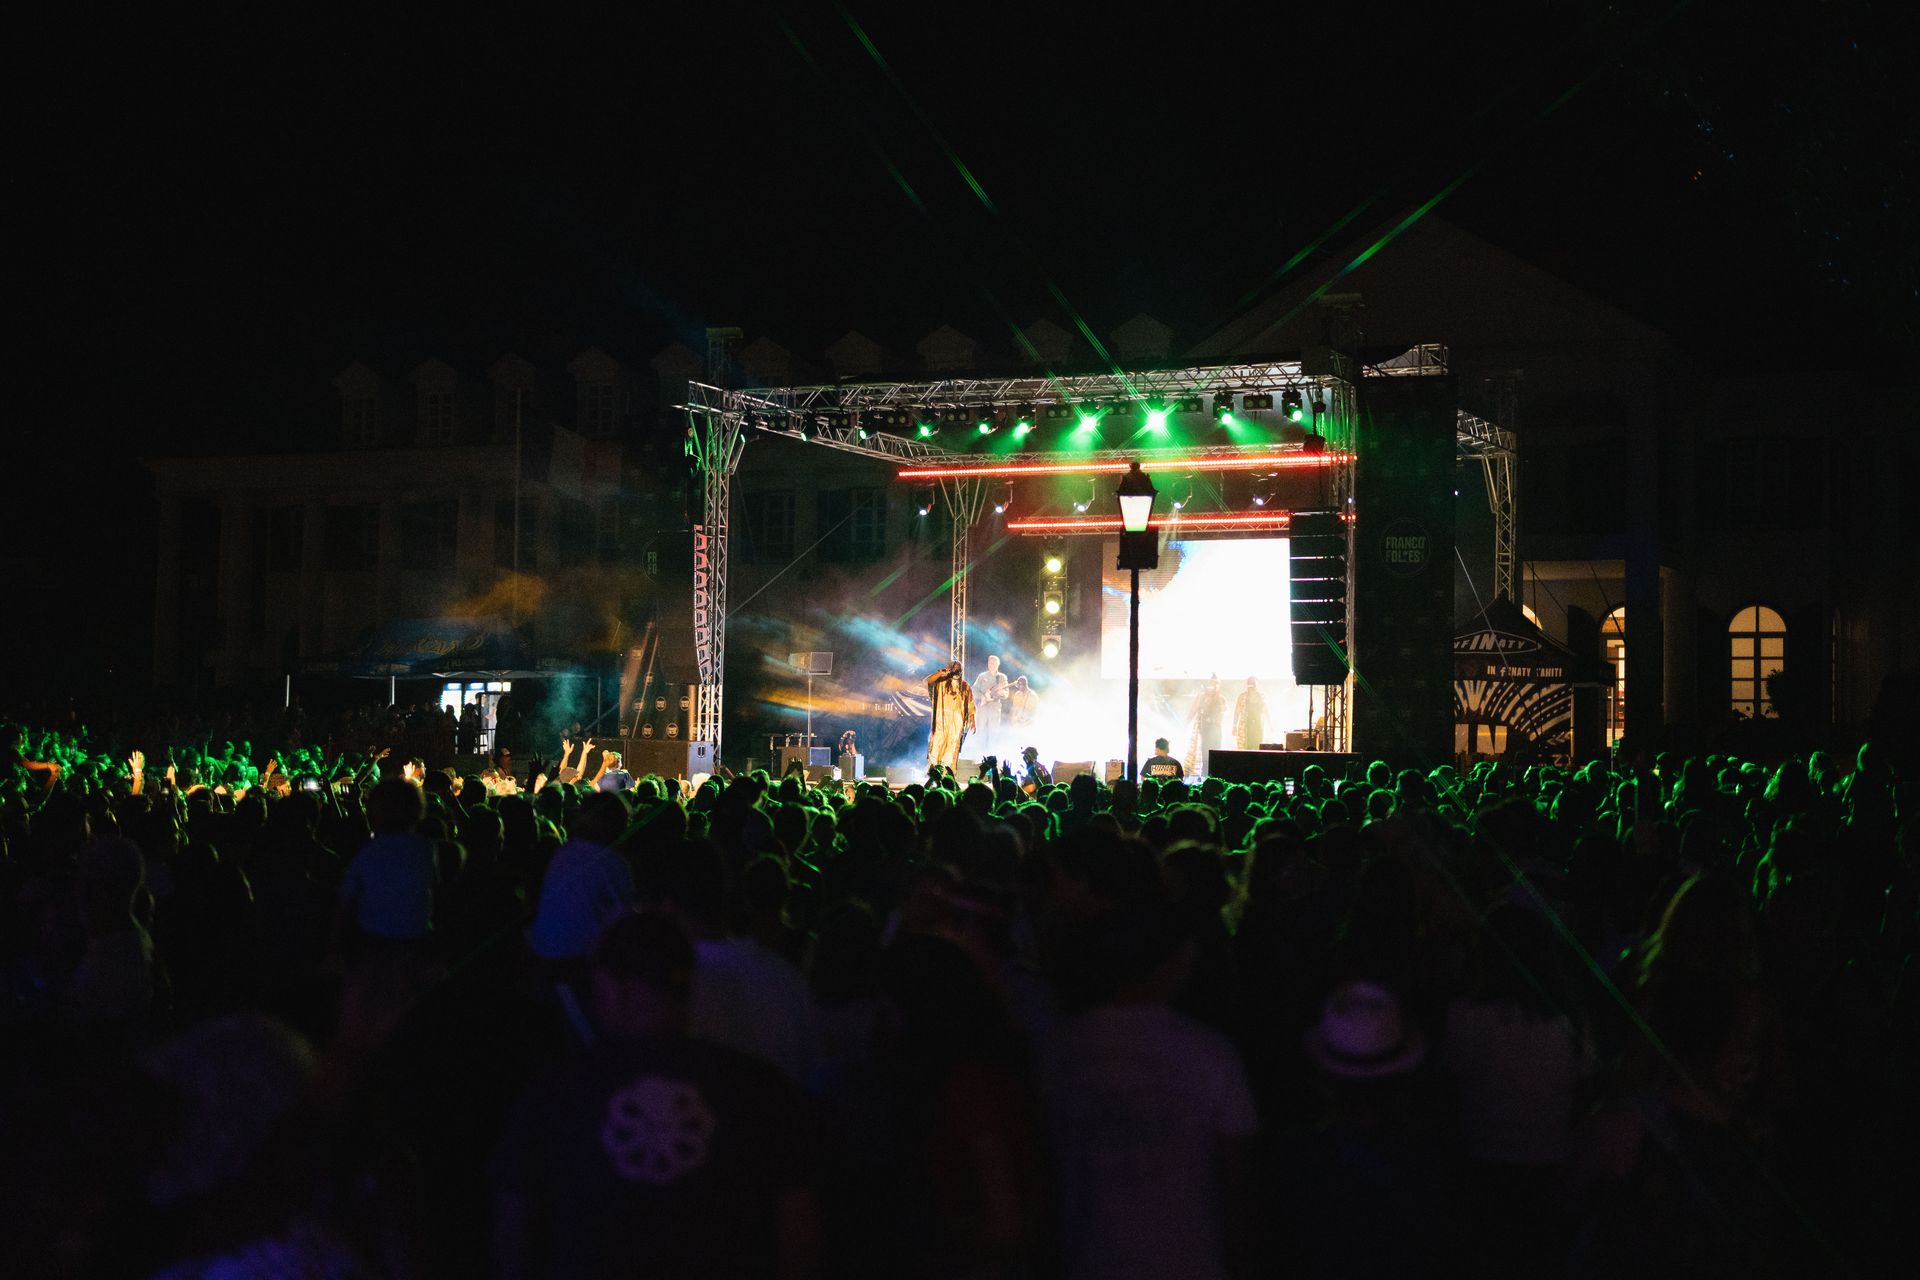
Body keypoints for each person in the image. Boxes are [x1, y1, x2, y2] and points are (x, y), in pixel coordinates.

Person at [925, 660, 976, 777]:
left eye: (958, 668)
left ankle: (947, 773)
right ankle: (934, 770)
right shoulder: (940, 682)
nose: (956, 670)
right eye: (954, 667)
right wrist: (941, 672)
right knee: (937, 742)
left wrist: (973, 720)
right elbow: (929, 681)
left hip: (957, 722)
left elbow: (970, 704)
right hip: (941, 719)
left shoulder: (965, 686)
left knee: (952, 745)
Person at [973, 654, 1010, 755]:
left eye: (993, 663)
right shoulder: (982, 676)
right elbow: (973, 689)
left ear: (998, 665)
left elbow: (1006, 694)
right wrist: (981, 696)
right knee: (981, 729)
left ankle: (991, 754)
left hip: (995, 707)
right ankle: (980, 753)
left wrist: (1001, 693)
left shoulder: (1002, 677)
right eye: (989, 663)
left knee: (993, 730)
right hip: (983, 707)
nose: (991, 665)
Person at [1188, 676, 1226, 769]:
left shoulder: (1221, 698)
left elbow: (1224, 712)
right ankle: (1205, 770)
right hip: (1204, 728)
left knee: (1216, 750)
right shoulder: (1202, 697)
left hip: (1216, 729)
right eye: (1211, 684)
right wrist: (1186, 722)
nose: (1213, 686)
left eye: (1215, 684)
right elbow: (1193, 710)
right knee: (1205, 751)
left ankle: (1216, 770)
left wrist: (1217, 718)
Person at [1232, 676, 1267, 750]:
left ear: (1256, 685)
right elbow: (1236, 712)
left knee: (1257, 748)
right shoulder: (1242, 697)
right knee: (1245, 748)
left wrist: (1270, 725)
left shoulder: (1261, 697)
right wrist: (1234, 726)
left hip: (1257, 727)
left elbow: (1266, 711)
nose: (1251, 686)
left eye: (1253, 683)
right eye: (1249, 683)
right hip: (1245, 727)